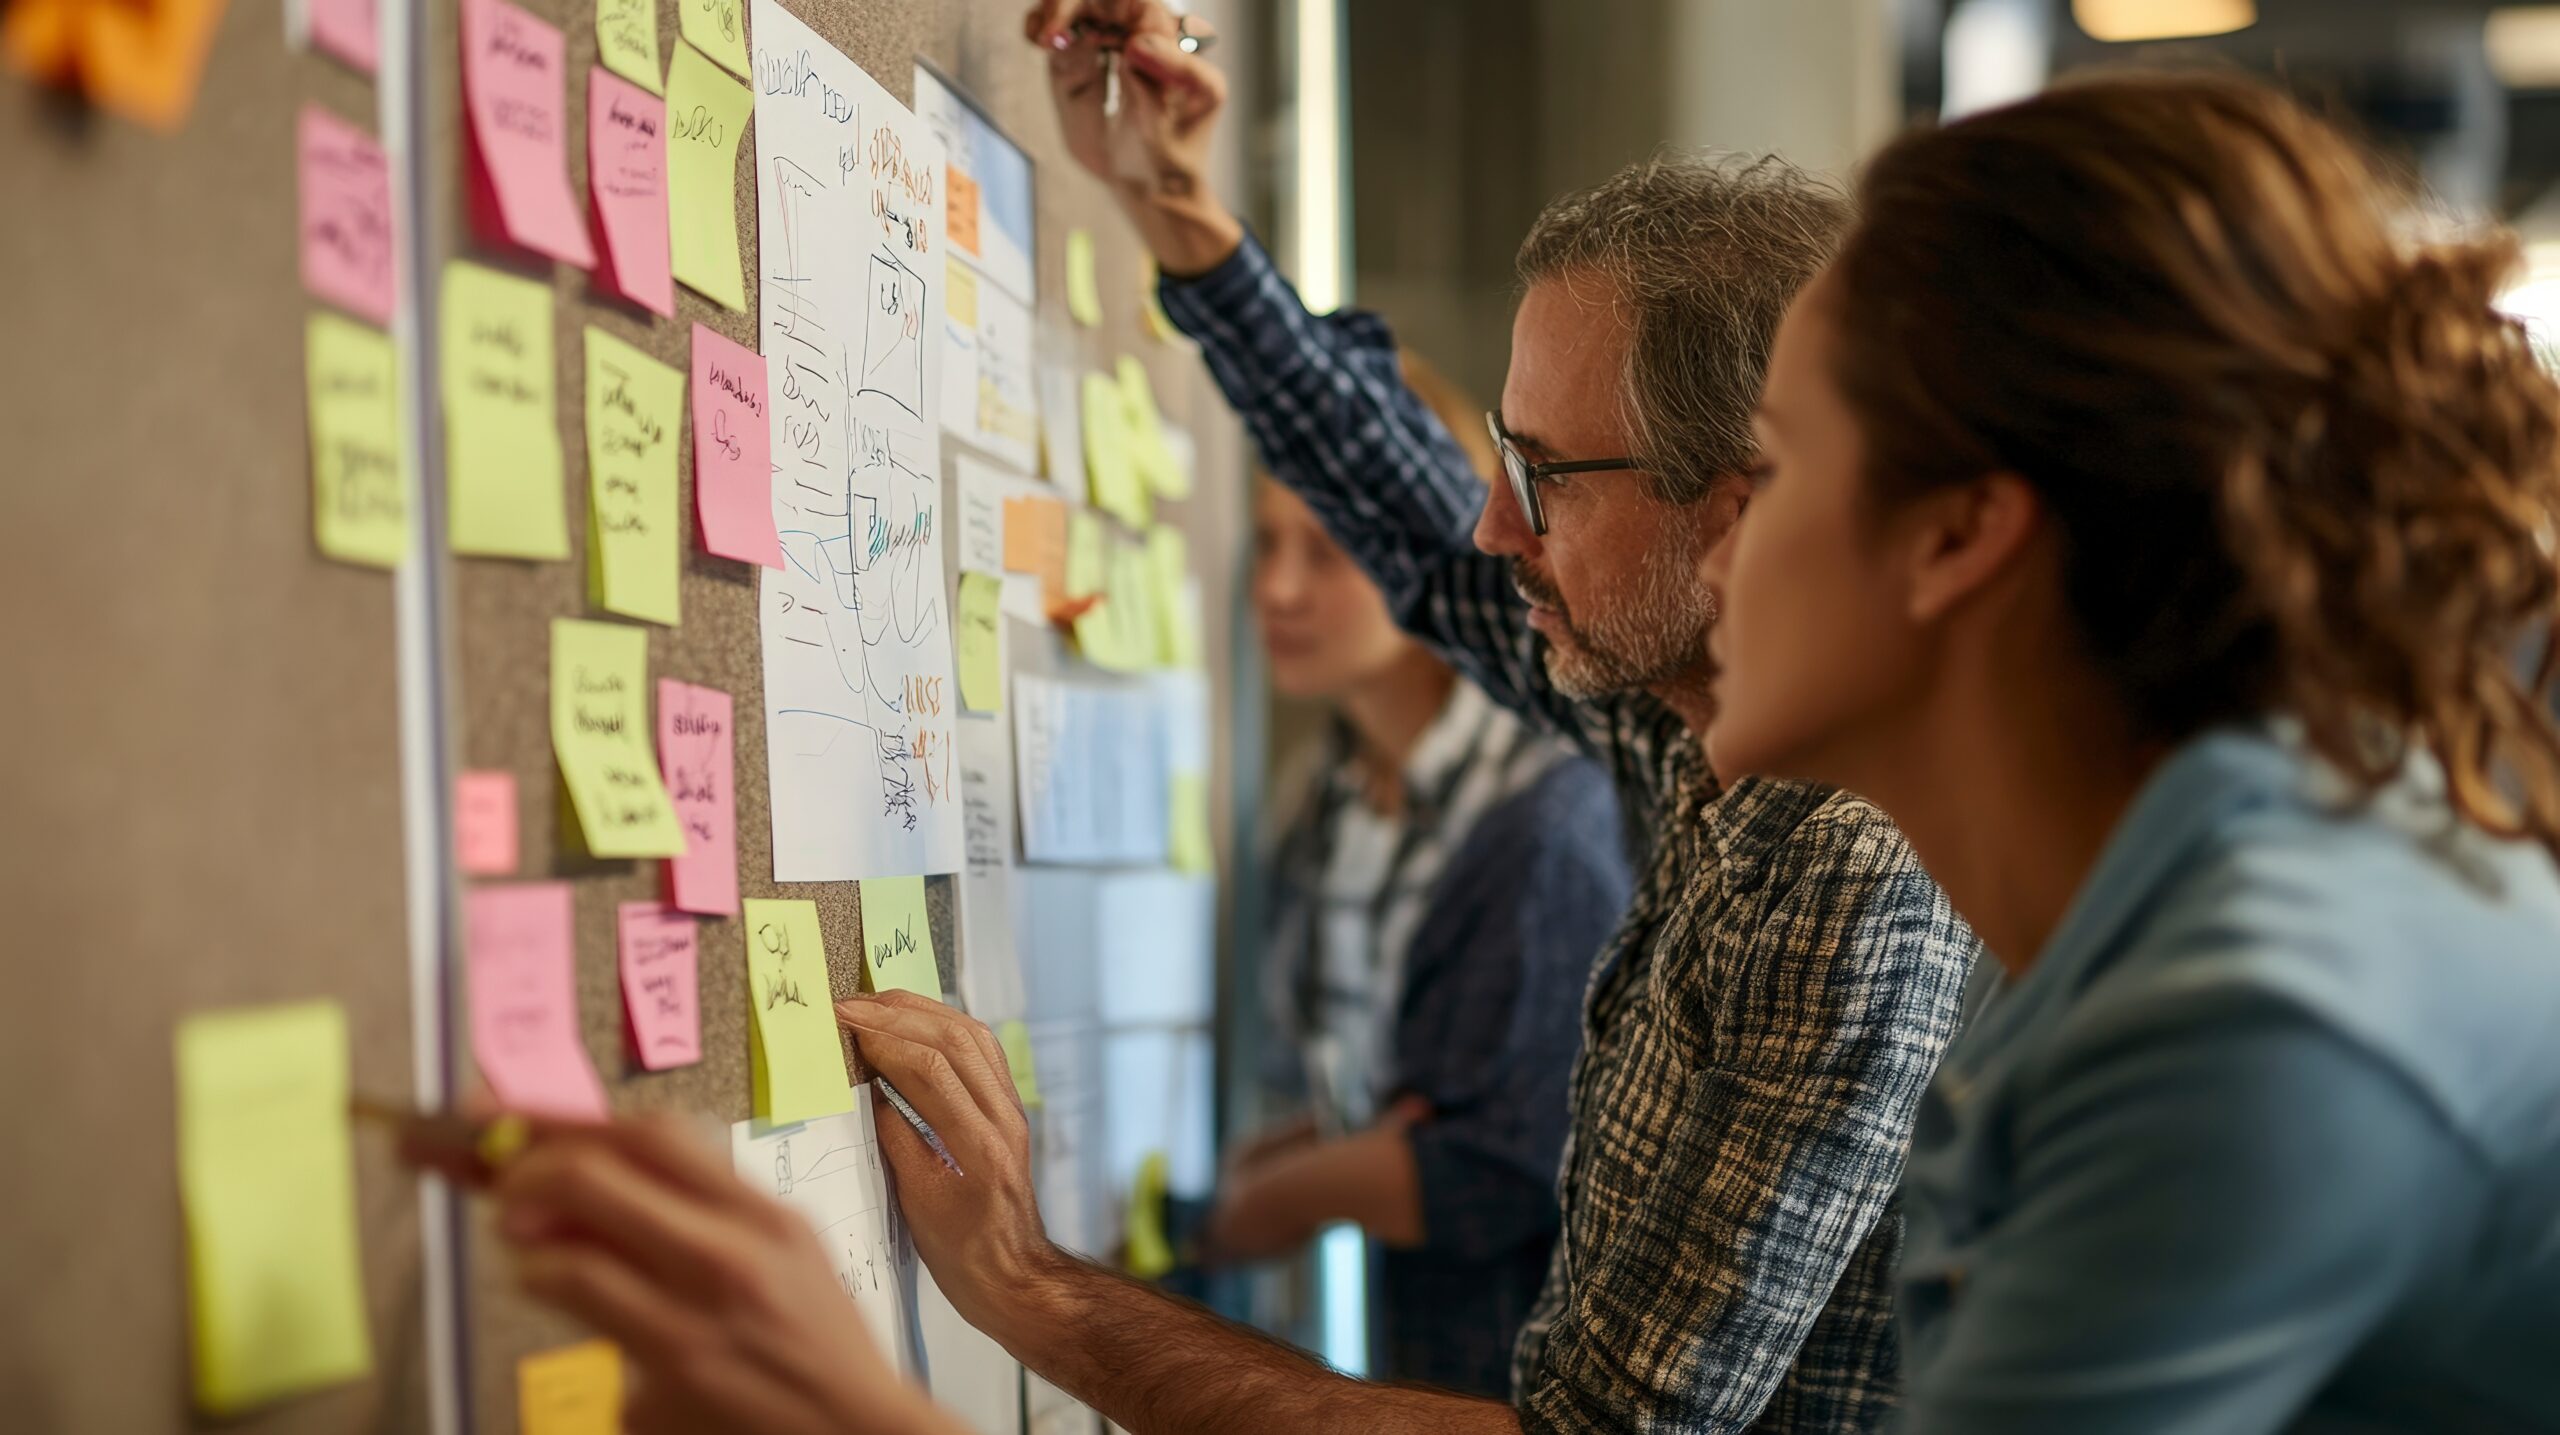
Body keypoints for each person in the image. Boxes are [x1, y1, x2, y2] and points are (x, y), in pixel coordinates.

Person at [480, 1, 1978, 1431]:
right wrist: (1182, 224)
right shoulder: (1699, 716)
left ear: (1734, 517)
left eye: (1544, 478)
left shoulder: (1849, 859)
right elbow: (1412, 528)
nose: (1493, 531)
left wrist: (1026, 1283)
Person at [1701, 72, 2560, 1431]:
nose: (1722, 548)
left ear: (1958, 532)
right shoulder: (2167, 896)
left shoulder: (2256, 1014)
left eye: (1777, 465)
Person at [1217, 349, 1629, 1396]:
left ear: (1419, 555)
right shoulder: (1324, 799)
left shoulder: (1544, 817)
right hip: (1420, 1350)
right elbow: (1387, 1084)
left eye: (1328, 550)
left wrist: (1271, 1203)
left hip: (1526, 1379)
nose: (1277, 590)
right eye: (1265, 547)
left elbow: (1501, 1168)